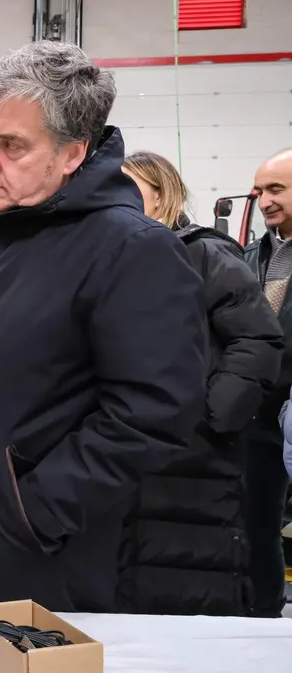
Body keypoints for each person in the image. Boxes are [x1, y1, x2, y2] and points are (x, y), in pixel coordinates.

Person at [0, 41, 208, 612]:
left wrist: (36, 510)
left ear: (72, 154)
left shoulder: (131, 250)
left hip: (37, 560)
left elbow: (155, 411)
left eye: (12, 145)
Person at [117, 150, 282, 615]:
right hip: (128, 445)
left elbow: (257, 338)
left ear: (162, 195)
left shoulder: (202, 252)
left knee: (189, 572)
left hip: (192, 452)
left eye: (130, 190)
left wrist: (213, 417)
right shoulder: (107, 257)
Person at [242, 147, 292, 617]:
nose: (264, 200)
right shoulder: (251, 256)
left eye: (276, 189)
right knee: (257, 523)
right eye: (259, 191)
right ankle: (263, 615)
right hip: (256, 413)